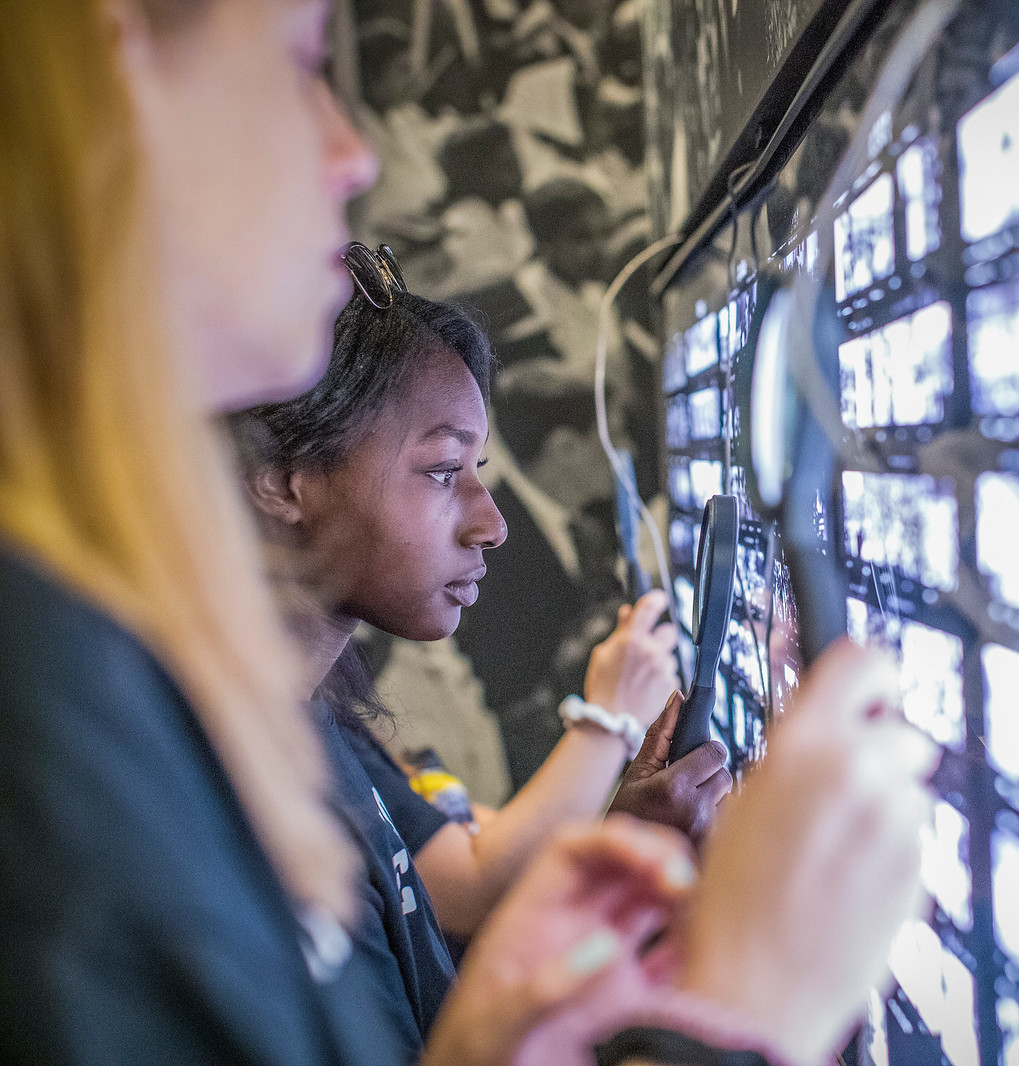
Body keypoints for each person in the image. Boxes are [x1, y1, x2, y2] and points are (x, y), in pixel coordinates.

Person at [0, 2, 934, 1064]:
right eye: (299, 63)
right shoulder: (54, 705)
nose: (353, 156)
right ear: (119, 68)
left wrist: (488, 1033)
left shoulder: (150, 681)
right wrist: (743, 1004)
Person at [231, 250, 732, 1053]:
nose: (490, 523)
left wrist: (620, 856)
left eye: (478, 469)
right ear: (284, 478)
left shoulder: (314, 719)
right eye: (439, 471)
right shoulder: (234, 792)